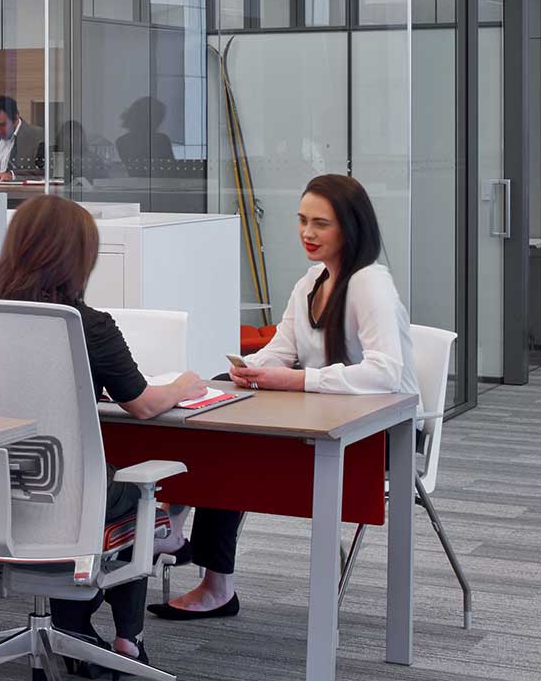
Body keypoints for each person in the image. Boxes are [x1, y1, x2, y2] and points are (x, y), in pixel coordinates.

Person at [148, 174, 417, 622]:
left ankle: (187, 546)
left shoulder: (370, 285)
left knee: (229, 445)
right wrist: (253, 370)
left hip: (380, 434)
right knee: (219, 414)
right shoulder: (312, 281)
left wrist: (296, 381)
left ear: (350, 228)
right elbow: (282, 350)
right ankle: (176, 528)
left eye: (320, 224)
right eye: (302, 220)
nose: (307, 234)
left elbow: (386, 373)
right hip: (321, 421)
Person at [0, 194, 210, 672]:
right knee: (129, 493)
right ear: (78, 259)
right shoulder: (88, 326)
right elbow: (145, 406)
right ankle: (128, 632)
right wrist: (182, 385)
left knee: (102, 498)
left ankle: (75, 626)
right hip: (68, 491)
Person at [0, 95, 45, 181]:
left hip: (20, 192)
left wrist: (12, 176)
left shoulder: (38, 136)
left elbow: (44, 173)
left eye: (3, 125)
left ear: (16, 116)